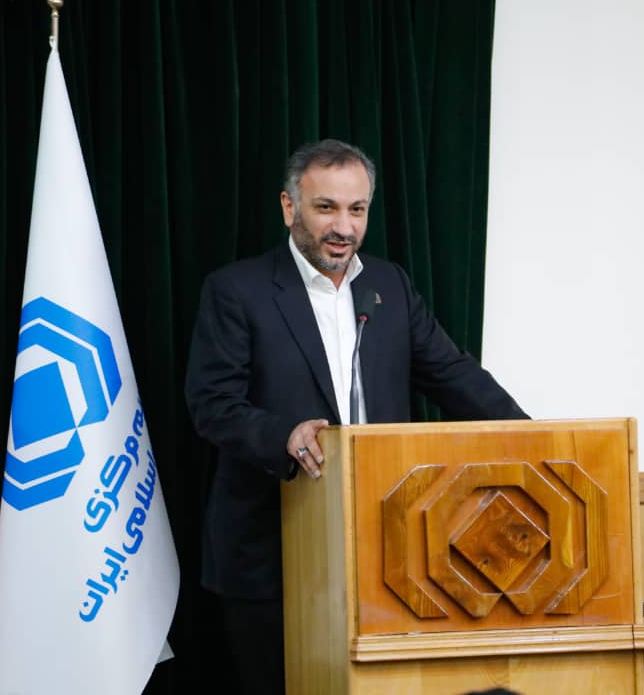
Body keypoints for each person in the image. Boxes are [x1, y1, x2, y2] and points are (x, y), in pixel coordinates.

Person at [185, 138, 527, 694]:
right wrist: (284, 434)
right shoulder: (237, 290)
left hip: (387, 551)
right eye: (326, 208)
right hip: (272, 554)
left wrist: (533, 437)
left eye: (357, 209)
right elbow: (212, 404)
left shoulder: (388, 286)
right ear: (290, 207)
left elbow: (454, 376)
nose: (343, 227)